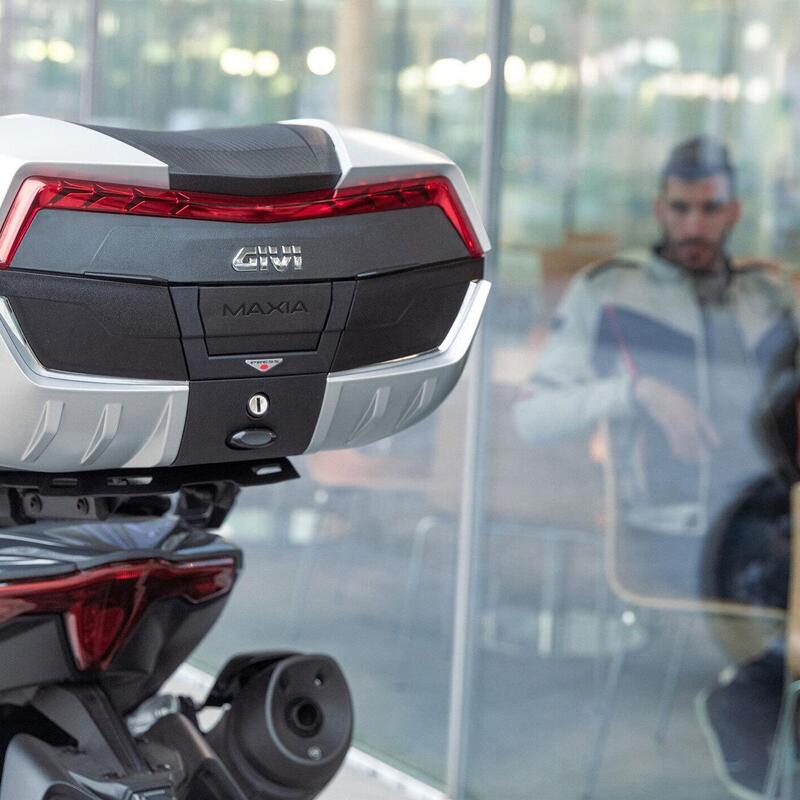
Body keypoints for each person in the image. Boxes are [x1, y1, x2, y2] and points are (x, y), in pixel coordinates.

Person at [514, 135, 799, 798]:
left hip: (774, 517)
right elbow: (532, 417)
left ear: (733, 212)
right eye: (681, 209)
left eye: (710, 209)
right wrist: (635, 391)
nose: (694, 225)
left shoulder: (766, 297)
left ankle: (752, 696)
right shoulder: (612, 291)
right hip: (677, 527)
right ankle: (751, 700)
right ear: (660, 209)